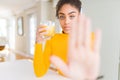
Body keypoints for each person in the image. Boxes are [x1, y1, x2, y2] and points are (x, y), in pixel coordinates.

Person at [33, 0, 102, 80]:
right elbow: (39, 72)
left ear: (79, 16)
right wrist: (38, 42)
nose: (66, 22)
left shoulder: (89, 37)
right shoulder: (53, 39)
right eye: (62, 16)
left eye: (72, 16)